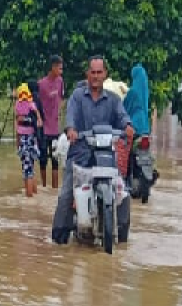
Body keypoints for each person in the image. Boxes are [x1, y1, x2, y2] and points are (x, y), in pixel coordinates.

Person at [51, 57, 136, 245]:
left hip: (106, 156)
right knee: (65, 194)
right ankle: (58, 238)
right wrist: (71, 130)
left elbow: (123, 117)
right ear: (87, 74)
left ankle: (122, 236)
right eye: (93, 72)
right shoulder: (77, 97)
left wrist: (128, 126)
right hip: (80, 154)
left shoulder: (113, 100)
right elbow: (70, 116)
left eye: (100, 72)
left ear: (105, 74)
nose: (96, 76)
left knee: (123, 191)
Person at [36, 56, 65, 189]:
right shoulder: (41, 84)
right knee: (43, 159)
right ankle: (43, 186)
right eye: (59, 68)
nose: (61, 70)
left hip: (55, 128)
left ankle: (53, 189)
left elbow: (61, 98)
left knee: (55, 159)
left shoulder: (60, 81)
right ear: (53, 67)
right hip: (43, 128)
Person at [14, 83, 44, 197]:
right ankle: (34, 193)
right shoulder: (32, 104)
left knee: (27, 170)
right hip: (32, 140)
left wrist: (17, 143)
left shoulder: (17, 105)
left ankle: (29, 196)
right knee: (31, 167)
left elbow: (17, 126)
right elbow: (37, 114)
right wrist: (40, 119)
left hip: (24, 140)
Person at [125, 63, 151, 137]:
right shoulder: (146, 92)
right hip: (145, 127)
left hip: (134, 126)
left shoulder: (133, 92)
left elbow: (124, 108)